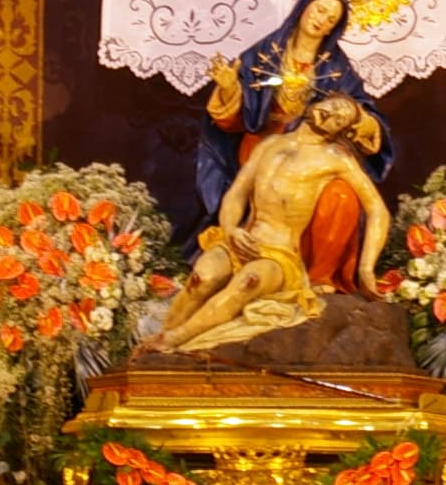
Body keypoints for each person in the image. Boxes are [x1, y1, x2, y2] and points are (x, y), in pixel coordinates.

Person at [160, 93, 392, 353]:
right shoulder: (270, 145)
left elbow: (377, 210)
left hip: (280, 256)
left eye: (340, 119)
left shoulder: (337, 159)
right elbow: (237, 193)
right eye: (334, 106)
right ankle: (162, 337)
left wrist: (366, 269)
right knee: (201, 278)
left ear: (338, 131)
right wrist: (231, 230)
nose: (332, 114)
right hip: (242, 240)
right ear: (319, 102)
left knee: (247, 283)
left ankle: (174, 341)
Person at [201, 0, 394, 283]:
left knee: (341, 197)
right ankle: (256, 253)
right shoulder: (265, 52)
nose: (322, 20)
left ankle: (319, 276)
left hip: (316, 148)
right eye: (320, 10)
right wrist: (229, 89)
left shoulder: (336, 65)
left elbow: (362, 111)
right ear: (304, 7)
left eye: (331, 19)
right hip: (265, 141)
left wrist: (358, 117)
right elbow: (233, 122)